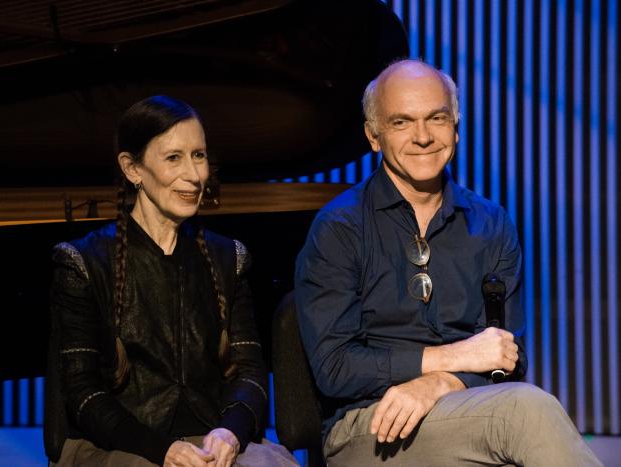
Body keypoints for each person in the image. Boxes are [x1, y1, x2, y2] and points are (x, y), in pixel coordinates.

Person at [294, 59, 602, 466]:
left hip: (468, 410)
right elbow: (335, 367)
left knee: (521, 421)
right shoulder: (339, 228)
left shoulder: (490, 223)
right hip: (371, 423)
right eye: (402, 122)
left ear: (455, 127)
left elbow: (507, 357)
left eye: (436, 118)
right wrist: (449, 358)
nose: (423, 137)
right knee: (525, 410)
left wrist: (439, 383)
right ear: (373, 135)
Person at [48, 95, 297, 467]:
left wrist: (230, 431)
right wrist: (161, 450)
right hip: (119, 446)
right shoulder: (83, 262)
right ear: (133, 169)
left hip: (208, 440)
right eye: (173, 158)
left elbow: (249, 372)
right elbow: (83, 395)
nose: (195, 175)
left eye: (199, 155)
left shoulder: (230, 257)